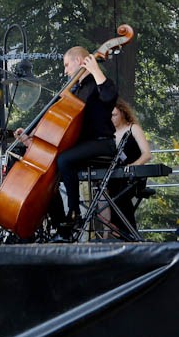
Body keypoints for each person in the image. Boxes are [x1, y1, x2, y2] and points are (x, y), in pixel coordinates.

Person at [15, 45, 118, 238]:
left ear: (79, 61)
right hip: (81, 145)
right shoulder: (76, 90)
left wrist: (95, 69)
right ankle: (60, 222)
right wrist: (32, 138)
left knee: (64, 160)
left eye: (67, 65)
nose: (65, 70)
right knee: (48, 168)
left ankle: (74, 212)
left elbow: (109, 97)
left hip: (101, 143)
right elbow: (60, 125)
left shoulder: (97, 83)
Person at [103, 98, 152, 237]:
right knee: (108, 194)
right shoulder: (108, 134)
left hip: (133, 176)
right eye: (109, 115)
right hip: (114, 178)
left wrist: (131, 166)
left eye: (114, 115)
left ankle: (125, 232)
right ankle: (126, 234)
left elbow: (147, 155)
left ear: (123, 113)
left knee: (119, 195)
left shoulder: (133, 128)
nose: (111, 118)